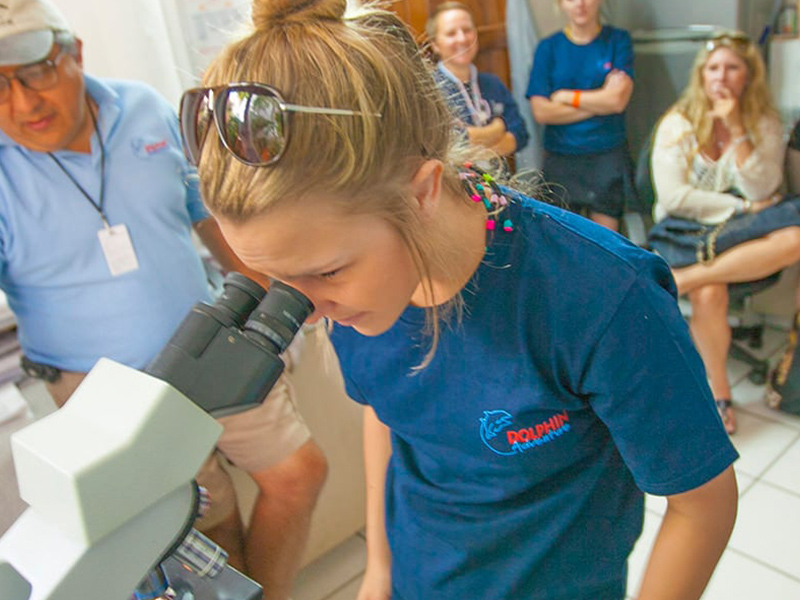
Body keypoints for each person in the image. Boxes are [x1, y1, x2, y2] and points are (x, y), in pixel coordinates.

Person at [188, 1, 738, 598]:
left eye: (325, 272)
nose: (308, 312)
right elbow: (386, 411)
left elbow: (702, 505)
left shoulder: (601, 298)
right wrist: (381, 568)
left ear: (421, 191)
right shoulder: (349, 291)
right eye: (280, 279)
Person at [0, 1, 327, 598]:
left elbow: (213, 220)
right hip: (106, 392)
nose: (22, 104)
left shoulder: (145, 109)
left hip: (214, 347)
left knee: (299, 474)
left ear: (73, 53)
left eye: (36, 72)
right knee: (206, 526)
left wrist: (282, 317)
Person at [647, 30, 800, 436]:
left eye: (733, 68)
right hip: (686, 226)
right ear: (701, 75)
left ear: (748, 76)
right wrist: (743, 208)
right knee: (710, 293)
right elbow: (675, 197)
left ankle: (685, 278)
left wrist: (737, 129)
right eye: (714, 68)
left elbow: (763, 187)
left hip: (740, 231)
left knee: (795, 238)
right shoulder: (677, 123)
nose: (722, 77)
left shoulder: (763, 122)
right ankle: (720, 393)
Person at [527, 0, 635, 231]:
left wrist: (567, 97)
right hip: (561, 158)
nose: (581, 4)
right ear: (560, 4)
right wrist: (600, 100)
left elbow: (617, 101)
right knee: (563, 239)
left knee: (607, 242)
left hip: (607, 155)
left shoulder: (617, 41)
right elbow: (542, 111)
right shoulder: (548, 48)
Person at [426, 2, 528, 157]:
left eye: (467, 30)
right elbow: (445, 144)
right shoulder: (428, 92)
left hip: (498, 179)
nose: (461, 39)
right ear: (435, 44)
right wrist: (497, 128)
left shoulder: (492, 83)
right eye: (451, 33)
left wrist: (474, 142)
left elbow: (520, 133)